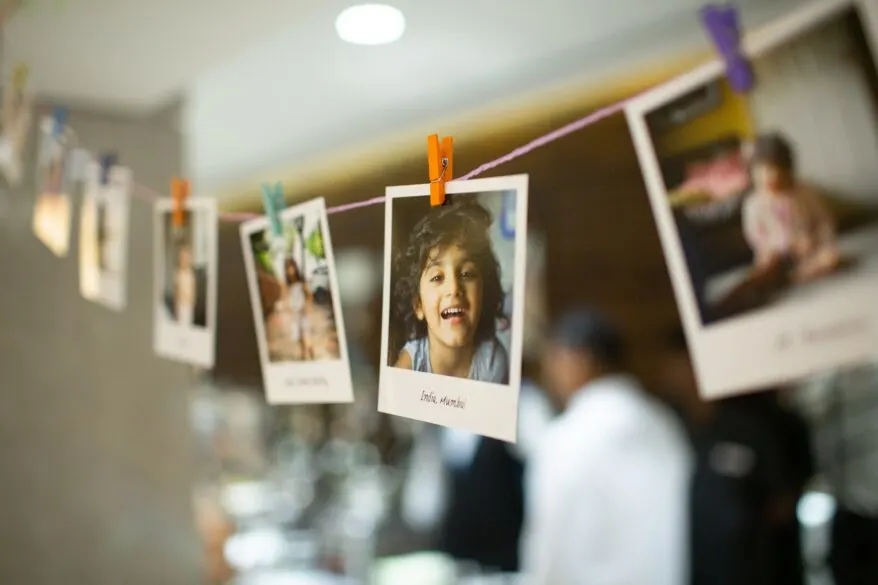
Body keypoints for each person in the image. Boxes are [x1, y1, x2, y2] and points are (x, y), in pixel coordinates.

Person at [520, 308, 691, 585]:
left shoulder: (566, 437)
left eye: (553, 359)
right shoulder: (663, 423)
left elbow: (547, 547)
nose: (549, 373)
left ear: (579, 359)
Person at [661, 328, 812, 585]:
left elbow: (783, 504)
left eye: (683, 363)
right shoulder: (672, 426)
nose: (673, 374)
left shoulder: (756, 428)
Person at [391, 199, 508, 383]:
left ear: (484, 292)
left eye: (467, 273)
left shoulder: (493, 362)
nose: (453, 289)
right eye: (437, 277)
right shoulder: (409, 367)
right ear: (418, 305)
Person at [742, 132, 840, 284]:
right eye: (761, 171)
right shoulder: (753, 204)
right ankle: (782, 277)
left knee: (831, 258)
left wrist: (816, 239)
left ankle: (802, 274)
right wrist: (779, 246)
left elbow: (824, 221)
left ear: (787, 170)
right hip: (776, 255)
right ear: (752, 172)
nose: (769, 176)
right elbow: (756, 236)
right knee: (764, 267)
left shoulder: (803, 192)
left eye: (775, 170)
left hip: (808, 250)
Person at [283, 256, 312, 359]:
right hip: (294, 312)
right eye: (288, 268)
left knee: (304, 332)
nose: (290, 270)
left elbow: (309, 295)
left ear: (295, 268)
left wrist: (306, 306)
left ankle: (306, 352)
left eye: (292, 267)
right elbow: (287, 297)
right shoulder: (288, 285)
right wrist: (288, 307)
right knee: (298, 335)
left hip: (302, 311)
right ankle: (305, 351)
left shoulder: (301, 282)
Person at [174, 239, 196, 326]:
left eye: (187, 257)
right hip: (181, 305)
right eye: (183, 257)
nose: (185, 260)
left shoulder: (190, 273)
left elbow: (193, 288)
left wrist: (192, 301)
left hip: (189, 304)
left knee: (188, 324)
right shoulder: (178, 273)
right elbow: (177, 290)